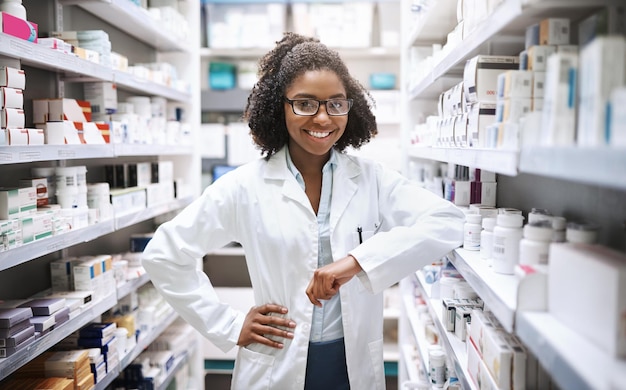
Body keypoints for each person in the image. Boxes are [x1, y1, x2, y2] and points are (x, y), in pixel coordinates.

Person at [141, 32, 464, 390]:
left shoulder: (371, 179)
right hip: (276, 363)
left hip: (351, 364)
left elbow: (447, 222)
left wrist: (356, 261)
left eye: (336, 103)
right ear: (280, 106)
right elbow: (164, 254)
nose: (323, 118)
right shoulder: (244, 186)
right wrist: (229, 324)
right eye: (306, 104)